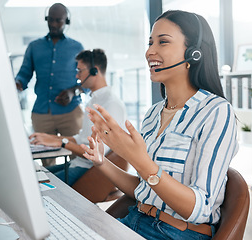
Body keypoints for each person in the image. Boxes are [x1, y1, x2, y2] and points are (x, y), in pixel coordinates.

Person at [81, 10, 238, 240]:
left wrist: (140, 160)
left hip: (175, 233)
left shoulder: (216, 111)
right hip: (136, 219)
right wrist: (101, 162)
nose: (149, 51)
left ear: (194, 54)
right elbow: (143, 189)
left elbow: (200, 207)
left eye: (163, 42)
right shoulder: (154, 114)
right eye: (150, 42)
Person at [29, 49, 127, 186]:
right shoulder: (93, 100)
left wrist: (62, 143)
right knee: (32, 174)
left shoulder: (111, 104)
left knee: (35, 185)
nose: (77, 76)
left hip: (89, 169)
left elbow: (98, 153)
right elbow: (81, 139)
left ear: (94, 71)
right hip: (78, 164)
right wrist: (50, 138)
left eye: (80, 71)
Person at [15, 3, 84, 166]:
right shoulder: (34, 47)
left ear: (66, 21)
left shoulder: (77, 47)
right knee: (45, 161)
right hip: (42, 112)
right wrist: (16, 84)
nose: (54, 24)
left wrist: (72, 92)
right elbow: (24, 74)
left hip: (71, 113)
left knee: (79, 157)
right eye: (50, 20)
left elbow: (87, 82)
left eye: (58, 21)